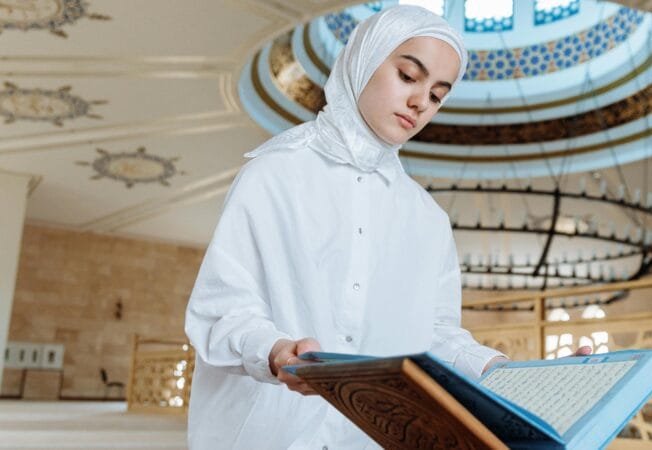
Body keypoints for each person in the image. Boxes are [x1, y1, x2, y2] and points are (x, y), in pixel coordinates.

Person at [184, 5, 588, 449]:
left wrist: (513, 377)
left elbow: (434, 336)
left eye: (437, 95)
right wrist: (275, 351)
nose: (420, 103)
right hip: (268, 434)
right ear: (364, 59)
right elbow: (222, 308)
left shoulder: (428, 218)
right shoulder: (273, 174)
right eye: (408, 76)